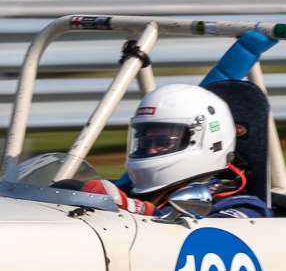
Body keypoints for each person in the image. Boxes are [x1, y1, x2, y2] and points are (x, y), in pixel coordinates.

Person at [76, 84, 271, 218]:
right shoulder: (128, 193)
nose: (150, 149)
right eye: (144, 141)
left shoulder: (243, 207)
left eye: (162, 141)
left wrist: (139, 211)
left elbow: (211, 240)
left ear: (206, 140)